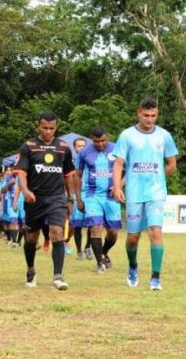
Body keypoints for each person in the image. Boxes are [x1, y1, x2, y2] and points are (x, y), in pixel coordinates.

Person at [113, 97, 178, 291]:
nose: (150, 119)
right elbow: (118, 164)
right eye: (146, 115)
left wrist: (158, 178)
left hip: (156, 192)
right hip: (134, 193)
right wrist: (117, 187)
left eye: (154, 116)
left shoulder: (164, 135)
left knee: (155, 232)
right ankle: (133, 266)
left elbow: (172, 164)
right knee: (133, 237)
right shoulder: (126, 135)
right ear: (139, 113)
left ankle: (155, 277)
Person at [14, 111, 75, 290]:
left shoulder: (64, 147)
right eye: (44, 128)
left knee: (57, 233)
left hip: (57, 198)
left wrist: (70, 198)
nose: (48, 131)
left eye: (51, 128)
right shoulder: (28, 146)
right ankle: (31, 269)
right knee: (32, 238)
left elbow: (68, 175)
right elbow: (21, 174)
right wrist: (25, 191)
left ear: (56, 127)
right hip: (34, 199)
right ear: (38, 126)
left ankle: (57, 277)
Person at [75, 126, 122, 273]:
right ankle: (99, 263)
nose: (100, 144)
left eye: (103, 141)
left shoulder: (117, 149)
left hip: (111, 197)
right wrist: (78, 198)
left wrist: (118, 186)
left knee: (113, 232)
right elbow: (77, 176)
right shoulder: (84, 152)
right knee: (96, 228)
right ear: (91, 139)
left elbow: (128, 171)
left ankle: (104, 252)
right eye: (96, 141)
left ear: (107, 137)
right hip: (92, 196)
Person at [67, 137, 92, 260]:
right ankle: (79, 251)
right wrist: (71, 196)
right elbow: (69, 179)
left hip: (91, 194)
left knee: (93, 223)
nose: (81, 148)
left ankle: (88, 247)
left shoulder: (92, 159)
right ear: (75, 148)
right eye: (79, 146)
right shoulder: (72, 162)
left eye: (83, 145)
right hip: (78, 194)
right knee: (77, 225)